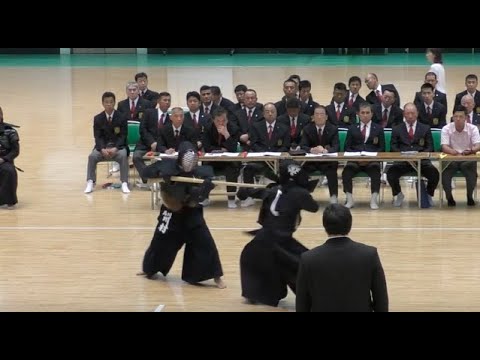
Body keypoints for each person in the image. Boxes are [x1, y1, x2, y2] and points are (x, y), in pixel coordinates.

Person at [138, 141, 226, 288]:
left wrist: (203, 189)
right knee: (159, 242)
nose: (189, 164)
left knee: (205, 243)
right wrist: (160, 173)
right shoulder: (166, 165)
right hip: (171, 211)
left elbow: (202, 195)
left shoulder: (201, 174)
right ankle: (149, 269)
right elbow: (146, 173)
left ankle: (216, 277)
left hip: (191, 212)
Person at [236, 160, 320, 307]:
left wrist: (244, 192)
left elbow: (244, 193)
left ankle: (256, 293)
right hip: (279, 242)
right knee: (304, 265)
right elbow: (314, 207)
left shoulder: (272, 190)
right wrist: (305, 191)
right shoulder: (299, 193)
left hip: (263, 239)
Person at [296, 204, 389, 312]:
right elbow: (381, 299)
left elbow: (302, 303)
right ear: (350, 224)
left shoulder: (308, 259)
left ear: (324, 225)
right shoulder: (369, 254)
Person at [441, 105, 480, 206]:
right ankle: (449, 197)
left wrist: (471, 150)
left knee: (471, 171)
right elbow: (444, 146)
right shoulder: (446, 128)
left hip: (467, 159)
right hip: (451, 158)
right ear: (453, 117)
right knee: (445, 174)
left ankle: (469, 196)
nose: (458, 119)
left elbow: (478, 145)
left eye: (461, 116)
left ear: (466, 118)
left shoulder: (473, 128)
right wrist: (452, 151)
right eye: (455, 116)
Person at [0, 106, 20, 209]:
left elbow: (15, 151)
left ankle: (9, 200)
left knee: (9, 171)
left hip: (4, 161)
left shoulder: (10, 132)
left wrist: (3, 159)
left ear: (1, 116)